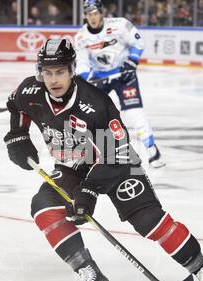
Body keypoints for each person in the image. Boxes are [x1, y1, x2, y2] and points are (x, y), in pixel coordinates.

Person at [3, 38, 203, 281]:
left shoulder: (96, 103)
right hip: (73, 164)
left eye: (60, 72)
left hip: (117, 163)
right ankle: (88, 272)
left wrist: (89, 190)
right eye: (47, 72)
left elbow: (116, 152)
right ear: (39, 72)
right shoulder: (30, 92)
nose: (53, 79)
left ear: (72, 70)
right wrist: (17, 135)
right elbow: (16, 107)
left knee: (148, 221)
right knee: (43, 206)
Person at [74, 0, 165, 169]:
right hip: (101, 79)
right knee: (90, 114)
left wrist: (131, 63)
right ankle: (89, 152)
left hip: (124, 75)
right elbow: (83, 64)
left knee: (134, 112)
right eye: (89, 14)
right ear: (85, 16)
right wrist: (82, 79)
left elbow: (137, 43)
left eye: (95, 13)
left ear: (101, 13)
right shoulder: (80, 37)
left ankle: (152, 149)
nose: (92, 18)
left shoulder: (120, 25)